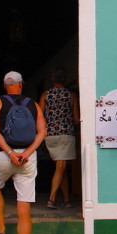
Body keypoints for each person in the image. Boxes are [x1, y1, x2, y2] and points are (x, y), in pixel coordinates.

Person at [0, 71, 46, 234]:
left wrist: (11, 153)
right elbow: (42, 132)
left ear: (5, 86)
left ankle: (1, 230)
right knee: (24, 208)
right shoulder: (33, 104)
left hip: (4, 155)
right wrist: (27, 152)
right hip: (28, 157)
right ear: (21, 84)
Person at [38, 68, 80, 209]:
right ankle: (51, 199)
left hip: (50, 135)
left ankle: (67, 200)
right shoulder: (71, 95)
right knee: (61, 167)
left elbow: (40, 116)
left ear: (52, 79)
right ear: (65, 78)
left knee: (60, 167)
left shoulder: (45, 95)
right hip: (65, 133)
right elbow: (76, 118)